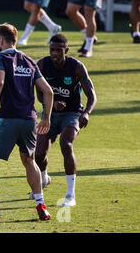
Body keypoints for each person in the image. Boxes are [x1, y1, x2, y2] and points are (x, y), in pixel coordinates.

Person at [0, 23, 54, 224]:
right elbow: (49, 91)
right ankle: (41, 206)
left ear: (0, 40)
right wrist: (46, 118)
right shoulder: (29, 61)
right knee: (29, 161)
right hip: (30, 120)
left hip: (8, 118)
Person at [34, 34, 96, 207]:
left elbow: (92, 96)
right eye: (52, 49)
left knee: (66, 144)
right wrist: (52, 105)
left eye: (59, 50)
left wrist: (87, 113)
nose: (54, 53)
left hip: (72, 113)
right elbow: (39, 93)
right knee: (38, 154)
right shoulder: (42, 65)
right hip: (50, 114)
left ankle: (70, 195)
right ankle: (44, 177)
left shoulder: (76, 67)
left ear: (66, 51)